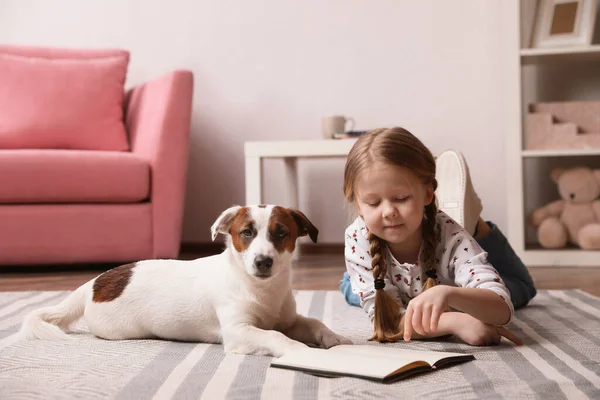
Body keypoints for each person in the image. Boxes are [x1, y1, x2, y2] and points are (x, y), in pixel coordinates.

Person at [339, 127, 536, 345]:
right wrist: (455, 322)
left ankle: (477, 226)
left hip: (447, 269)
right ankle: (352, 278)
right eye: (374, 203)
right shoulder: (358, 238)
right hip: (383, 270)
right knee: (352, 290)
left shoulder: (451, 236)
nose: (388, 212)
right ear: (357, 205)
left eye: (401, 198)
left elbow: (502, 308)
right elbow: (389, 322)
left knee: (521, 288)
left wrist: (449, 294)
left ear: (427, 193)